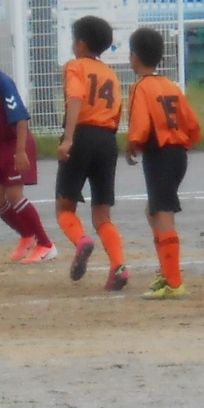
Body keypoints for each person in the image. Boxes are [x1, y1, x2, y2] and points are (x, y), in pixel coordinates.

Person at [0, 31, 58, 264]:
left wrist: (20, 151)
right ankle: (26, 235)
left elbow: (21, 119)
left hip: (15, 142)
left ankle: (46, 245)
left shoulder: (1, 82)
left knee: (14, 194)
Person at [125, 27, 201, 300]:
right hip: (178, 153)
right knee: (153, 211)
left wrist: (132, 144)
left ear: (134, 57)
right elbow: (192, 123)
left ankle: (174, 281)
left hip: (159, 153)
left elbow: (141, 125)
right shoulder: (170, 85)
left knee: (162, 213)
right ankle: (166, 272)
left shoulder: (140, 87)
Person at [54, 15, 129, 291]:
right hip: (107, 139)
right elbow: (117, 112)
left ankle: (81, 241)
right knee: (102, 215)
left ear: (81, 44)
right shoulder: (110, 74)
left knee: (64, 207)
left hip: (82, 135)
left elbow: (76, 97)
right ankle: (119, 266)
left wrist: (68, 138)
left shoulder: (75, 66)